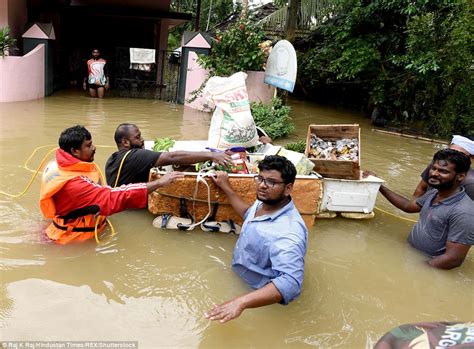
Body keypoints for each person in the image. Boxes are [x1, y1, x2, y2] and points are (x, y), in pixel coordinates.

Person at [204, 155, 308, 323]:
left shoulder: (288, 232)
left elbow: (290, 283)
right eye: (260, 178)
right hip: (239, 277)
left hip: (258, 296)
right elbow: (248, 214)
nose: (262, 185)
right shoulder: (265, 203)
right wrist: (226, 187)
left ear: (288, 188)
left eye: (271, 182)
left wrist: (241, 302)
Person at [40, 125, 183, 244]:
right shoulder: (75, 184)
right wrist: (159, 182)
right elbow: (113, 196)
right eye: (89, 146)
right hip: (72, 241)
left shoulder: (59, 166)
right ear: (74, 151)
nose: (94, 148)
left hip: (64, 228)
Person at [374, 148, 474, 269]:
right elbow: (407, 206)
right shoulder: (435, 193)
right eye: (433, 168)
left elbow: (453, 259)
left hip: (428, 267)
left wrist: (419, 269)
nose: (434, 173)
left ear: (460, 176)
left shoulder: (463, 212)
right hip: (411, 256)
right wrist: (378, 185)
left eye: (443, 171)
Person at [105, 123, 233, 186]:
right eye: (138, 137)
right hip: (131, 209)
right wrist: (211, 155)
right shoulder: (136, 156)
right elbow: (172, 157)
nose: (142, 140)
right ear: (126, 142)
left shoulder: (113, 158)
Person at [413, 135, 474, 200]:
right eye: (449, 151)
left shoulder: (471, 183)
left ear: (472, 158)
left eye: (458, 154)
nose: (450, 156)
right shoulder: (436, 165)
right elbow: (421, 188)